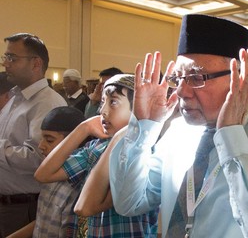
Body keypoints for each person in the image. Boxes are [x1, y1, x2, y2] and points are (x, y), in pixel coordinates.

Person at [107, 14, 248, 237]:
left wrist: (232, 139)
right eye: (178, 78)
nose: (181, 92)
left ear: (241, 78)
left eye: (197, 78)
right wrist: (145, 128)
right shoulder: (178, 133)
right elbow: (129, 203)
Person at [34, 74, 158, 238]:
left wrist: (126, 136)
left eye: (113, 102)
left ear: (138, 109)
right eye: (102, 103)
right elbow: (44, 174)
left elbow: (86, 207)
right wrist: (83, 128)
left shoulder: (145, 154)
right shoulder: (96, 147)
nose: (102, 111)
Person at [0, 33, 67, 237]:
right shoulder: (15, 98)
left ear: (35, 63)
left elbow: (40, 159)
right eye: (5, 58)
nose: (6, 64)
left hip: (25, 206)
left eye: (12, 58)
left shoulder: (47, 103)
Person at [7, 106, 85, 238]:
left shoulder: (79, 185)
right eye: (42, 138)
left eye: (49, 140)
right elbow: (43, 220)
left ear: (73, 142)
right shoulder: (50, 176)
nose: (41, 145)